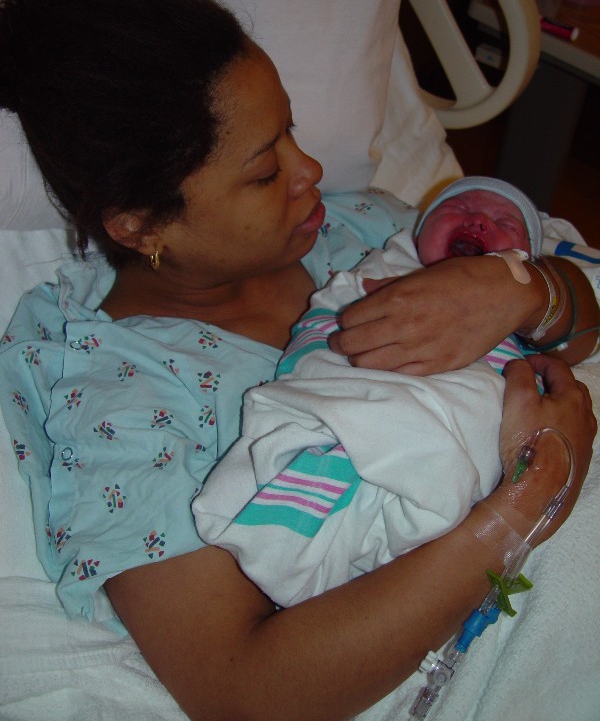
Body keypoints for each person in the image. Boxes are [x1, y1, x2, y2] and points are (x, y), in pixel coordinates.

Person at [0, 0, 596, 721]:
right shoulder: (123, 406)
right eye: (263, 172)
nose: (310, 170)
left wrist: (526, 290)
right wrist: (528, 504)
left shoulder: (361, 228)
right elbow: (242, 689)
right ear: (141, 225)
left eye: (291, 128)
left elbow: (583, 304)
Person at [192, 175, 599, 607]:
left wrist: (525, 293)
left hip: (455, 425)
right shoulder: (379, 274)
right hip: (363, 399)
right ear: (418, 233)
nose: (479, 220)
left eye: (505, 223)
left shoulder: (518, 311)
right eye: (459, 209)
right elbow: (328, 324)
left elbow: (580, 336)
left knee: (466, 428)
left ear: (526, 258)